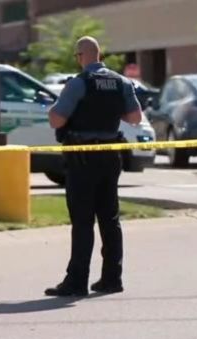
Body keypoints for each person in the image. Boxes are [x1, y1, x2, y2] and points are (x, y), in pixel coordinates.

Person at [45, 36, 142, 297]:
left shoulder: (78, 83)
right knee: (110, 219)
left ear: (80, 56)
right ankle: (112, 279)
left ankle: (77, 281)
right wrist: (110, 111)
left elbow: (56, 120)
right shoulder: (122, 82)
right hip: (110, 156)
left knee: (83, 220)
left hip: (83, 158)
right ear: (99, 55)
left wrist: (55, 108)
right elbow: (135, 117)